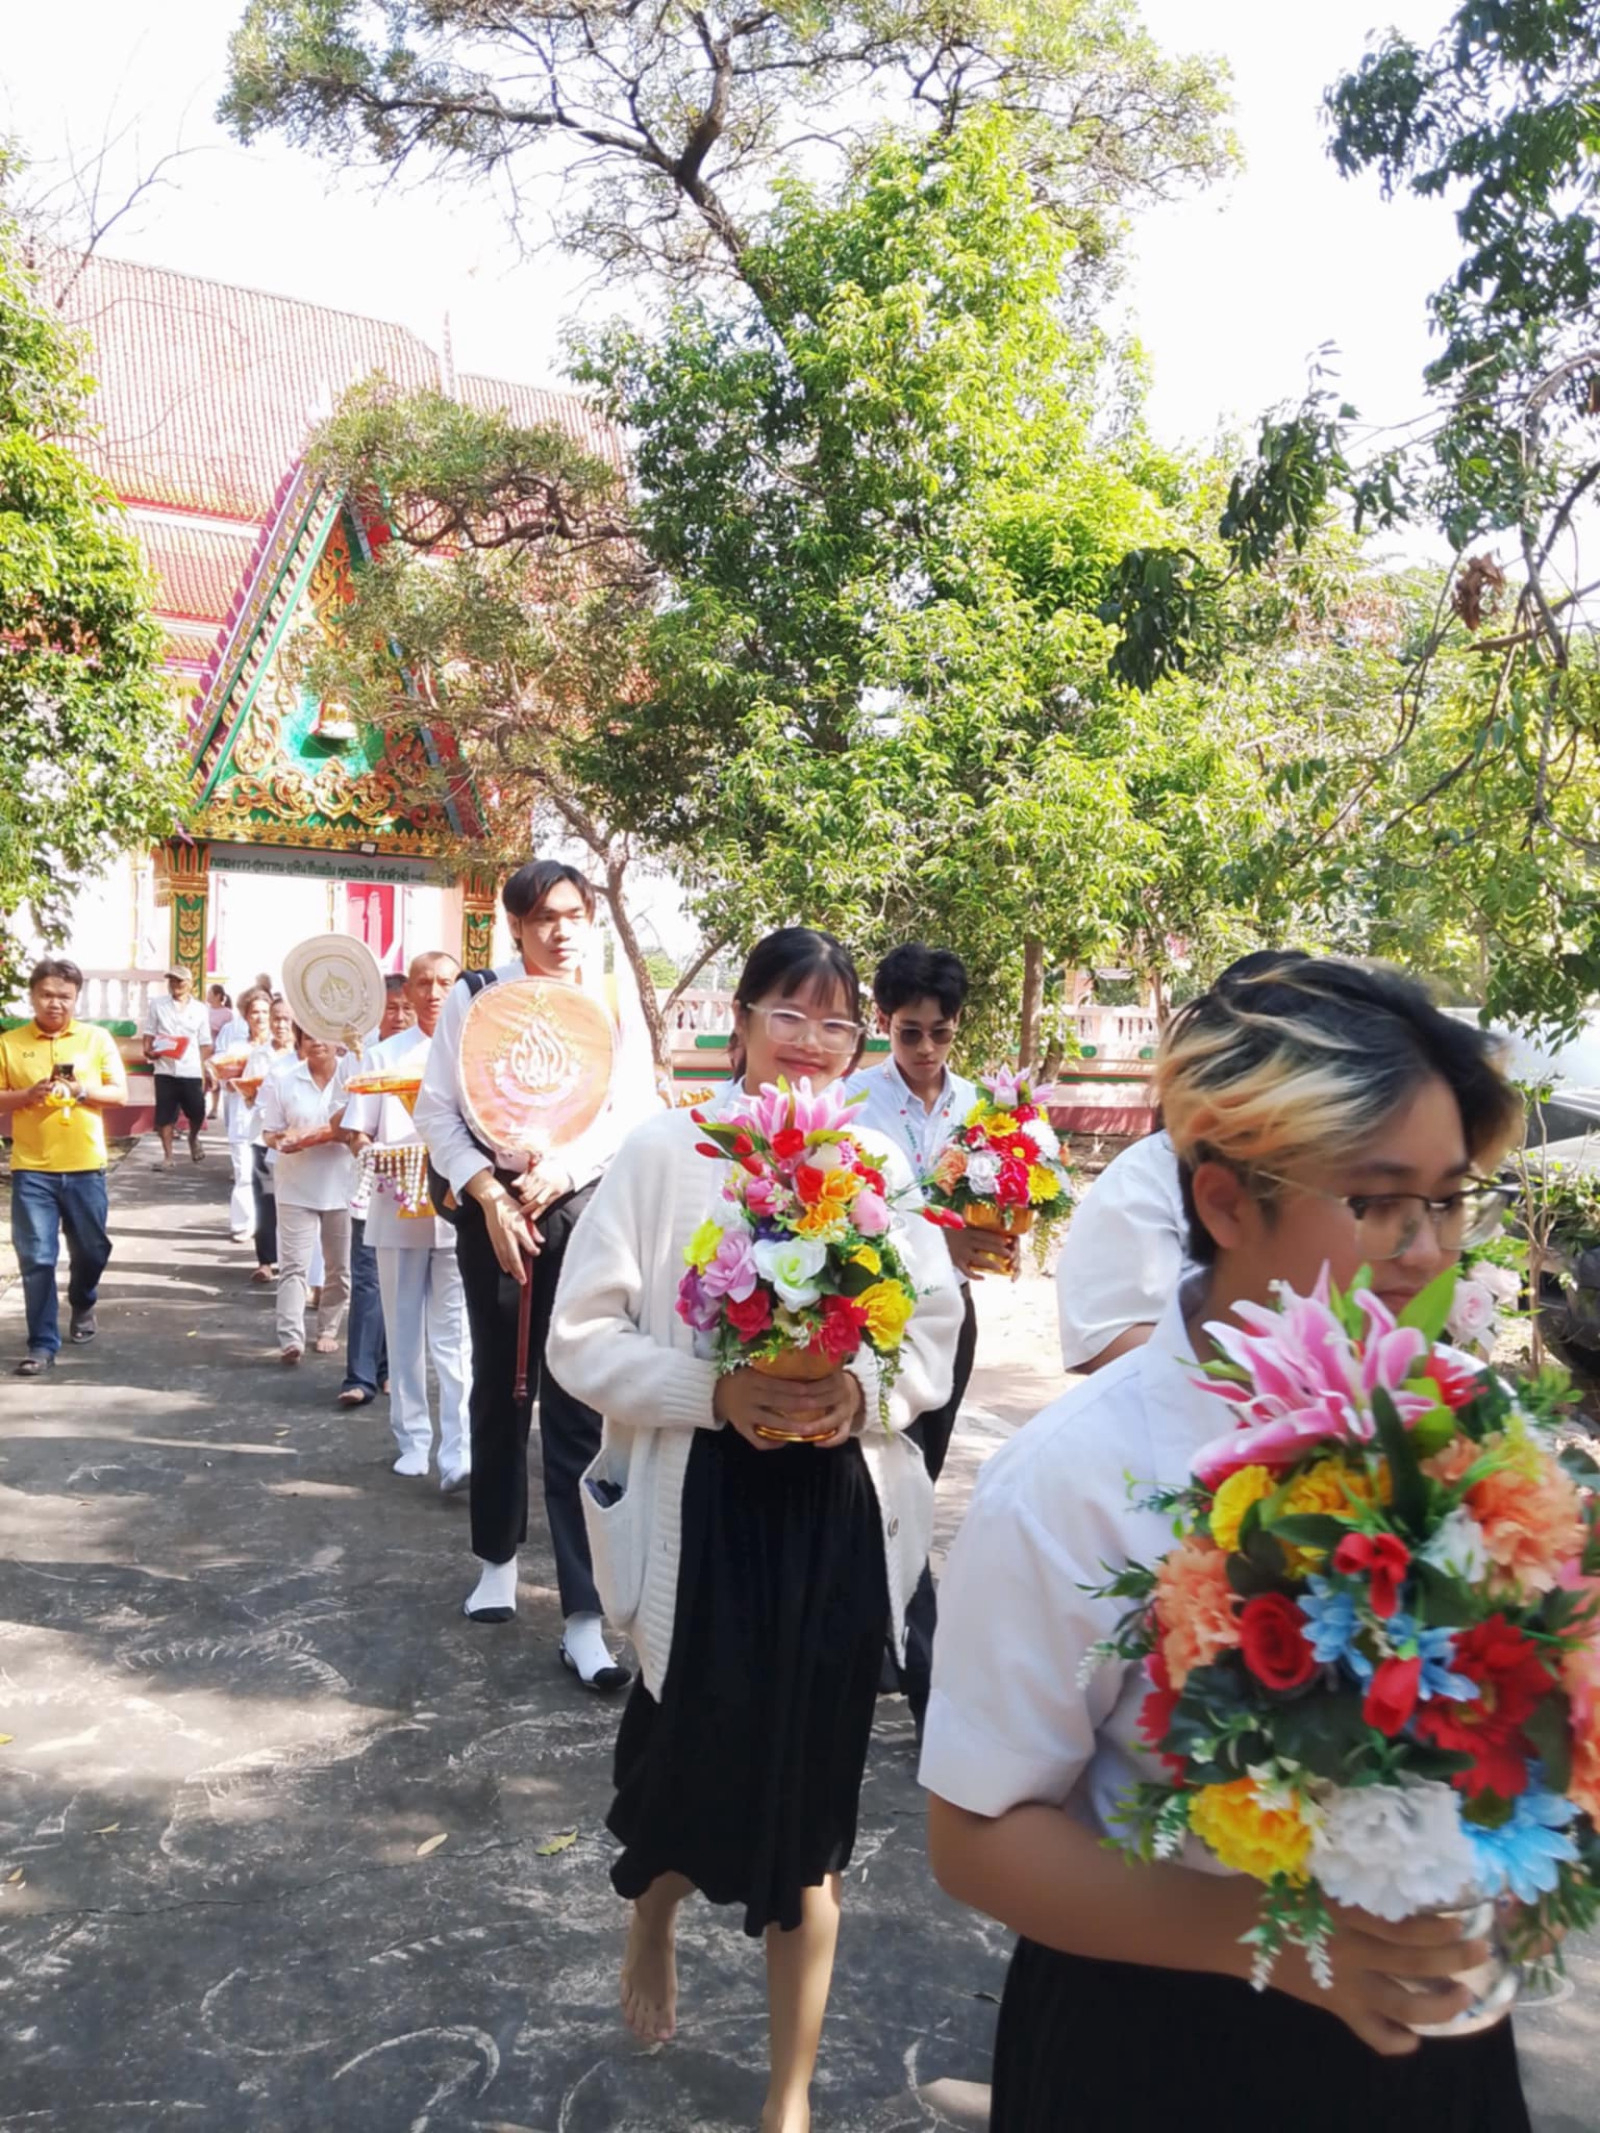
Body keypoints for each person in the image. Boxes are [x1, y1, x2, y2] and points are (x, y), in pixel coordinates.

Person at [921, 955, 1530, 2132]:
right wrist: (1290, 1949)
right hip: (1163, 2044)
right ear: (1224, 1203)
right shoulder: (1076, 1482)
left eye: (1448, 1198)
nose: (1424, 1247)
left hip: (1435, 2028)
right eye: (1375, 1199)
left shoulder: (1466, 1422)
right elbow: (978, 1836)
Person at [546, 925, 962, 2129]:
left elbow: (930, 1327)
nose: (813, 1047)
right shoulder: (667, 1150)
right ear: (741, 1019)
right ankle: (654, 1919)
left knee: (812, 1806)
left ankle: (788, 2098)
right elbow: (581, 1337)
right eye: (792, 1016)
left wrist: (863, 1396)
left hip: (830, 1517)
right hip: (707, 1514)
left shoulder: (874, 1160)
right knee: (687, 1761)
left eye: (839, 1028)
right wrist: (709, 1394)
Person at [414, 858, 660, 1689]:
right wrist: (484, 1190)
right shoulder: (476, 995)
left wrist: (568, 1168)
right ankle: (495, 1561)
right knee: (498, 1388)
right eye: (541, 916)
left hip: (581, 1211)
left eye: (573, 913)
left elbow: (634, 1110)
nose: (560, 930)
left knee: (577, 1404)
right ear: (514, 926)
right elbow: (438, 1110)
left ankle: (585, 1614)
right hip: (495, 1215)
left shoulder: (611, 1005)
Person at [842, 942, 1008, 1729]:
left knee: (917, 1481)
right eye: (911, 1033)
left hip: (951, 1318)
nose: (927, 1049)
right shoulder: (852, 1103)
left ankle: (879, 1635)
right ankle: (928, 1679)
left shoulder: (979, 1107)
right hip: (873, 1319)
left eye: (940, 1032)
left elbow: (995, 1206)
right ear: (883, 1023)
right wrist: (941, 1237)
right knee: (886, 1484)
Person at [340, 951, 471, 1485]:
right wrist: (372, 1154)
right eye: (424, 983)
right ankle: (412, 1438)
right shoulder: (383, 1056)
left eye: (445, 982)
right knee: (403, 1329)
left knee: (456, 1336)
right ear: (407, 993)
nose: (435, 992)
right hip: (397, 1200)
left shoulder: (472, 1053)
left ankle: (459, 1447)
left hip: (459, 1210)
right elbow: (357, 1131)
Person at [0, 959, 127, 1375]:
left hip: (86, 1165)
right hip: (32, 1168)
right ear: (32, 996)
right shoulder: (10, 1042)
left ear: (76, 998)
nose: (55, 1003)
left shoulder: (96, 1039)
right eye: (47, 995)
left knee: (92, 1249)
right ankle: (41, 1343)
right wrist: (26, 1095)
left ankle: (84, 1298)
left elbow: (119, 1094)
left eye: (64, 996)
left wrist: (82, 1091)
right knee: (36, 1257)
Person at [259, 1027, 354, 1364]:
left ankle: (328, 1328)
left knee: (339, 1268)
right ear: (299, 1041)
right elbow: (269, 1132)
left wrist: (324, 1135)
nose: (316, 1042)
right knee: (294, 1266)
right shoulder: (286, 1081)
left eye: (323, 1035)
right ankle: (291, 1337)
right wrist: (283, 1139)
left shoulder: (352, 1078)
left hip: (342, 1186)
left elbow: (359, 1129)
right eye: (308, 1036)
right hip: (296, 1183)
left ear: (337, 1041)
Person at [338, 976, 410, 1406]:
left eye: (406, 1007)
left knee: (403, 1287)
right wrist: (371, 1151)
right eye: (390, 1008)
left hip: (422, 1194)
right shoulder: (363, 1056)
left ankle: (390, 1369)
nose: (399, 1016)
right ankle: (359, 1376)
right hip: (373, 1187)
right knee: (367, 1281)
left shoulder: (433, 1054)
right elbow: (352, 1127)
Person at [143, 966, 213, 1167]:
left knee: (198, 1111)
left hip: (190, 1070)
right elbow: (149, 1032)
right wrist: (149, 1050)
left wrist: (199, 1063)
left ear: (190, 984)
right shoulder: (158, 1004)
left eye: (180, 981)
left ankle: (193, 1137)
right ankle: (168, 1157)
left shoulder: (200, 1009)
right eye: (172, 981)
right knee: (165, 1115)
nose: (176, 985)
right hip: (164, 1068)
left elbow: (206, 1043)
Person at [247, 998, 296, 1286]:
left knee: (294, 1203)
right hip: (264, 1137)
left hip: (299, 1139)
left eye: (286, 1019)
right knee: (265, 1201)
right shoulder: (260, 1054)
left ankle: (293, 1261)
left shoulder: (305, 1056)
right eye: (276, 1018)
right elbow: (250, 1092)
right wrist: (249, 1095)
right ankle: (265, 1261)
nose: (280, 1025)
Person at [214, 987, 268, 1242]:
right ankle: (244, 1223)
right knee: (244, 1172)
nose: (260, 1018)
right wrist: (230, 1076)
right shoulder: (236, 1046)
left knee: (270, 1176)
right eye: (255, 1012)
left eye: (265, 1012)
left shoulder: (280, 1048)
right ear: (246, 1016)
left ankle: (269, 1226)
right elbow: (222, 1079)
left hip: (270, 1119)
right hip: (241, 1115)